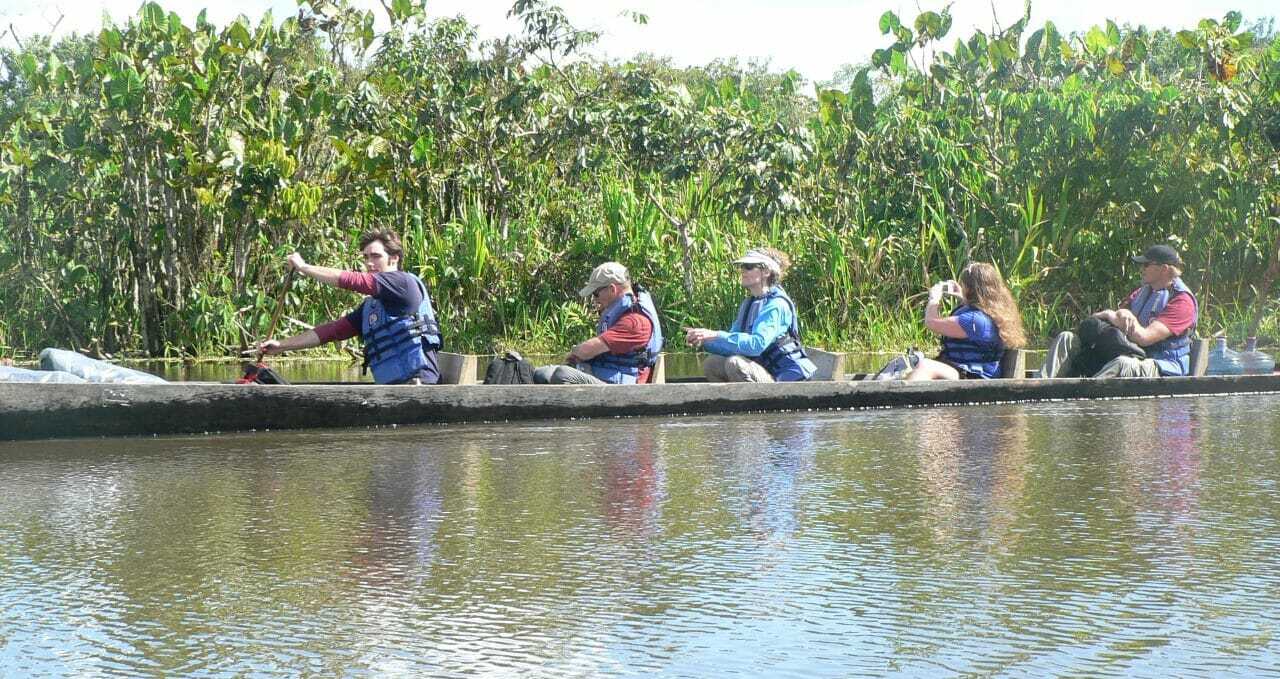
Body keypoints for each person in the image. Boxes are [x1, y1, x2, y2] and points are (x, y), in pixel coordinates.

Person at [253, 229, 442, 385]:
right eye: (366, 257)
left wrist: (304, 268)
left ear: (394, 259)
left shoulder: (403, 283)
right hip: (393, 388)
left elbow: (353, 280)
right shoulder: (371, 307)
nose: (369, 263)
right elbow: (331, 331)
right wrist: (281, 346)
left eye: (376, 256)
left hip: (420, 384)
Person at [1040, 244, 1198, 378]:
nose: (1141, 269)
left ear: (1164, 269)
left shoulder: (1182, 302)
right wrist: (1113, 314)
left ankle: (1083, 399)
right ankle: (1040, 389)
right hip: (1134, 353)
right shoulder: (1142, 292)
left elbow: (1144, 338)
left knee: (1122, 364)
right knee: (1066, 338)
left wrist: (1114, 315)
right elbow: (1112, 318)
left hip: (1162, 366)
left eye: (1146, 265)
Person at [684, 248, 817, 382]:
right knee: (712, 364)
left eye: (748, 267)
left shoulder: (776, 305)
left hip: (788, 380)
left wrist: (715, 334)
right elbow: (732, 345)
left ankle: (752, 403)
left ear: (766, 272)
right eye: (742, 267)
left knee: (735, 364)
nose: (742, 271)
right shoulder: (749, 304)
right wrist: (704, 341)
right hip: (766, 373)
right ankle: (728, 402)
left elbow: (756, 345)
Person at [532, 262, 664, 385]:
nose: (595, 300)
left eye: (596, 294)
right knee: (540, 373)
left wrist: (573, 354)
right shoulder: (622, 312)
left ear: (612, 289)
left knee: (563, 375)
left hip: (623, 390)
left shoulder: (635, 322)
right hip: (605, 376)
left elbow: (586, 351)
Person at [904, 262, 1027, 380]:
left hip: (973, 377)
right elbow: (979, 308)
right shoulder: (991, 314)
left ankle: (901, 400)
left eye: (963, 285)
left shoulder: (974, 320)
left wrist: (934, 299)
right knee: (908, 364)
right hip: (968, 372)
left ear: (969, 289)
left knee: (925, 366)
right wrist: (963, 297)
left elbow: (931, 322)